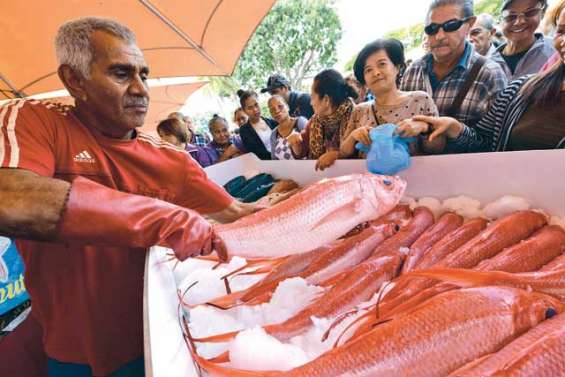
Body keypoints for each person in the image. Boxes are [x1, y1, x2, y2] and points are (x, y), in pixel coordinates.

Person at [0, 17, 259, 376]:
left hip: (155, 342)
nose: (141, 89)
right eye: (122, 74)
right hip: (67, 348)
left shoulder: (170, 159)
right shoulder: (34, 121)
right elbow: (11, 198)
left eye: (144, 74)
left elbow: (238, 213)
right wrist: (162, 217)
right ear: (74, 80)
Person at [422, 0, 565, 152]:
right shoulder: (519, 90)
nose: (519, 21)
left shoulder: (489, 71)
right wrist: (454, 128)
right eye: (561, 31)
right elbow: (485, 140)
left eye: (450, 26)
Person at [400, 0, 507, 153]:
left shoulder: (489, 74)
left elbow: (496, 145)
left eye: (451, 25)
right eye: (432, 29)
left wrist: (456, 130)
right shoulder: (413, 71)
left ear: (470, 24)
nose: (439, 36)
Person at [341, 38, 445, 159]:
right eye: (368, 70)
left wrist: (425, 128)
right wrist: (354, 136)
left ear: (397, 67)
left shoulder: (420, 100)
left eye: (382, 64)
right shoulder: (359, 111)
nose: (376, 73)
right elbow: (343, 152)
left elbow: (438, 147)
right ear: (364, 80)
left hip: (415, 177)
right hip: (371, 177)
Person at [287, 69, 358, 171]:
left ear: (326, 100)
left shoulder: (356, 116)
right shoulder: (315, 121)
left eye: (312, 97)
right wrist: (296, 144)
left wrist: (338, 155)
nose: (311, 103)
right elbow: (301, 151)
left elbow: (363, 154)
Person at [491, 0, 556, 80]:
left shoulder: (556, 51)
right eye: (511, 16)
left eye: (530, 12)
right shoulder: (488, 63)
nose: (520, 21)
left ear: (542, 13)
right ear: (500, 20)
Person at [237, 89, 278, 160]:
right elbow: (256, 153)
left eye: (256, 105)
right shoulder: (245, 131)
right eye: (250, 108)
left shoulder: (272, 122)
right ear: (244, 111)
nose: (255, 110)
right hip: (267, 165)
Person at [267, 95, 308, 160]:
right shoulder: (274, 134)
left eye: (280, 106)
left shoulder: (300, 122)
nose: (277, 111)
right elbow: (274, 160)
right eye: (272, 109)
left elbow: (313, 147)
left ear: (287, 107)